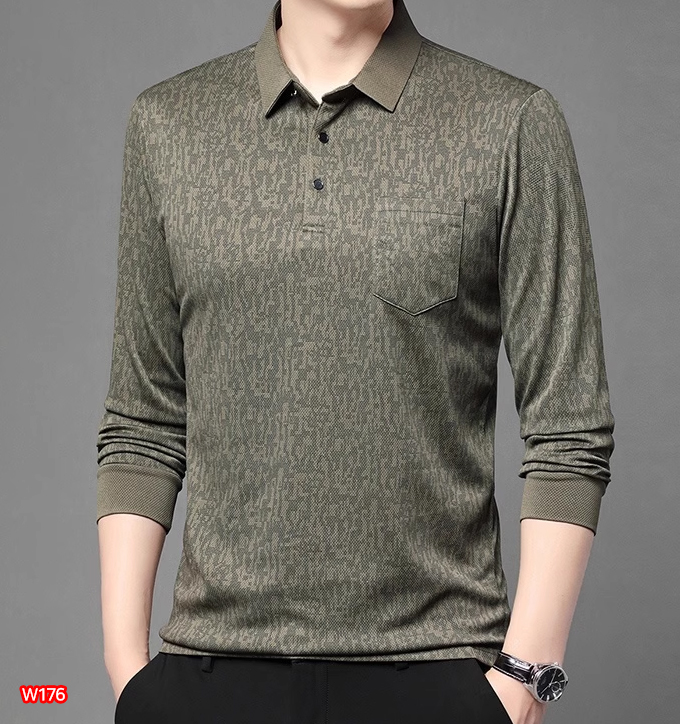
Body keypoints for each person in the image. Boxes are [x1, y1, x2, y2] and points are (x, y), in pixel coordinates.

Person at [95, 0, 615, 722]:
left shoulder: (510, 121)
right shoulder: (168, 126)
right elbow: (143, 419)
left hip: (436, 671)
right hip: (210, 676)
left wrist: (524, 679)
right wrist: (128, 673)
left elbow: (569, 428)